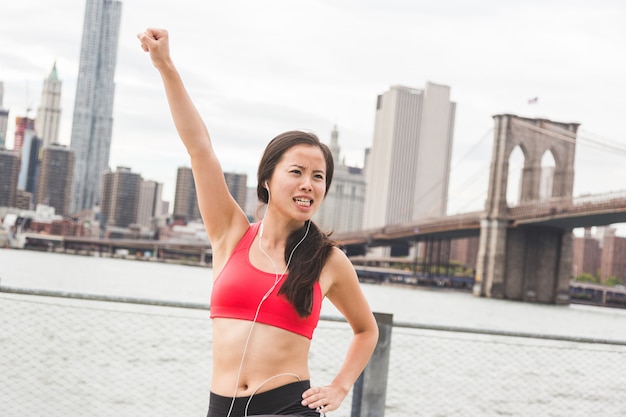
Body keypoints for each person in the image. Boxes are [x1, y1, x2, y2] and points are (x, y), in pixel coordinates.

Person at [137, 28, 379, 417]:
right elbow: (200, 149)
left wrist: (340, 386)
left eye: (319, 177)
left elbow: (367, 330)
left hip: (289, 409)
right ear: (267, 178)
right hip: (221, 408)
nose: (308, 184)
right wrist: (165, 67)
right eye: (297, 171)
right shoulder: (229, 233)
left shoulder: (329, 261)